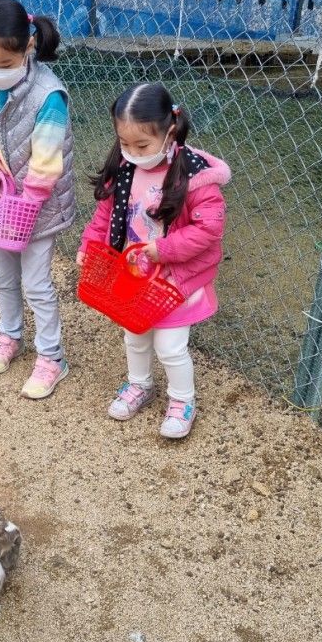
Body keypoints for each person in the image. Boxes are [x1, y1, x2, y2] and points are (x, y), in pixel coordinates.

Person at [78, 82, 230, 439]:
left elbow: (209, 229)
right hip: (135, 277)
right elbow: (105, 214)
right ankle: (140, 384)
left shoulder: (195, 176)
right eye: (125, 143)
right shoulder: (126, 167)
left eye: (142, 145)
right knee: (135, 334)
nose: (132, 152)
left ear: (170, 131)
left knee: (170, 346)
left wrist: (163, 249)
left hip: (175, 279)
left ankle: (182, 400)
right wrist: (90, 244)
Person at [0, 0, 75, 399]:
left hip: (37, 209)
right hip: (2, 202)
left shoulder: (49, 95)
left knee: (38, 284)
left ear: (28, 44)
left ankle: (52, 358)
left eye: (3, 64)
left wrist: (23, 208)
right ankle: (10, 335)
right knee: (3, 276)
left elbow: (46, 166)